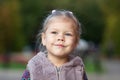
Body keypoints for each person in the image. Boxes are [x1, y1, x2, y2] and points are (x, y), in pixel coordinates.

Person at [21, 9, 88, 80]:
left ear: (76, 42)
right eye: (54, 32)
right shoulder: (34, 66)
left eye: (68, 34)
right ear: (44, 39)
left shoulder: (78, 68)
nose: (60, 38)